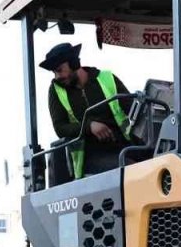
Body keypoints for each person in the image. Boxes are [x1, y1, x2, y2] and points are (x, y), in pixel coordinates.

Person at [41, 42, 134, 181]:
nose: (57, 76)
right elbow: (60, 127)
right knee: (132, 169)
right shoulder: (56, 90)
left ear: (74, 63)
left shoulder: (107, 78)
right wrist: (89, 126)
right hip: (91, 156)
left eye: (59, 70)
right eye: (54, 72)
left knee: (158, 159)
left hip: (126, 146)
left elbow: (133, 109)